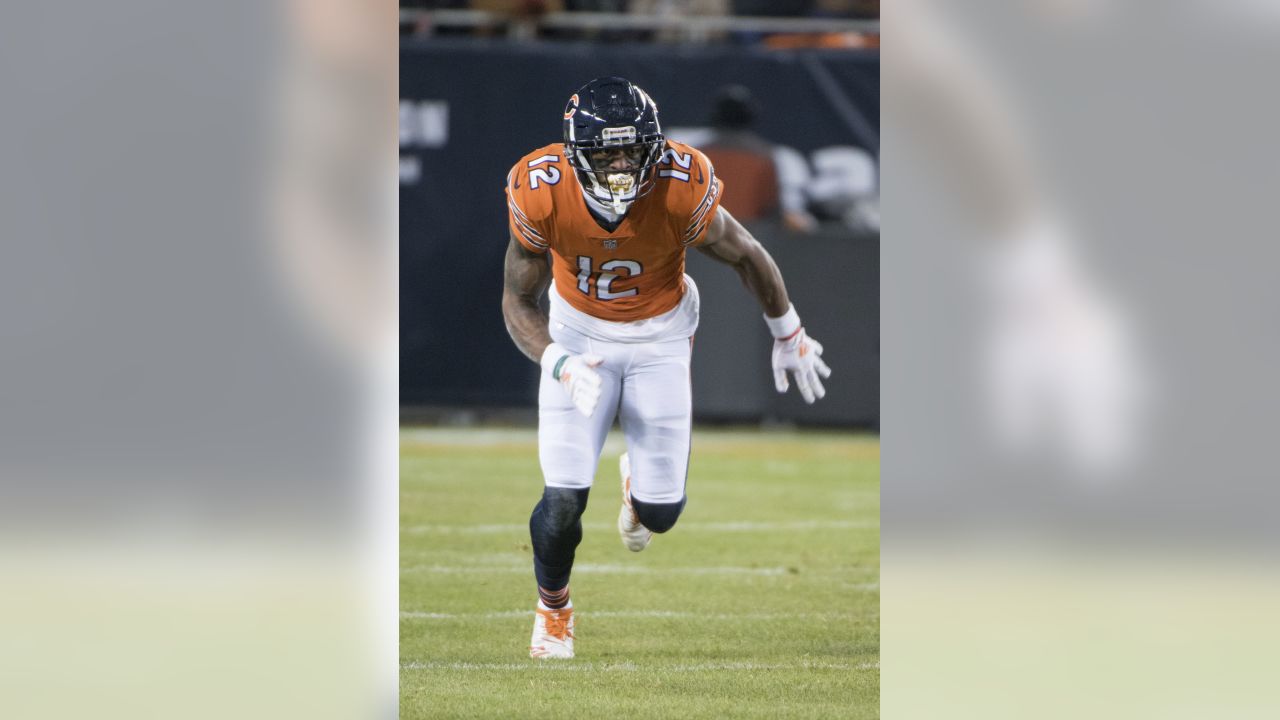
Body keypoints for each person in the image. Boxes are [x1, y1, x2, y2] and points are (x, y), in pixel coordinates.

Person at [501, 76, 832, 659]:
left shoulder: (681, 184)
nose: (623, 164)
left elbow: (746, 253)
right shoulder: (541, 189)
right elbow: (516, 300)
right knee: (562, 500)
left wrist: (789, 330)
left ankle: (638, 490)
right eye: (607, 152)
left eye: (633, 150)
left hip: (660, 337)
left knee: (660, 513)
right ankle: (554, 611)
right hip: (578, 332)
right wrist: (557, 360)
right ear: (578, 153)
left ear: (653, 147)